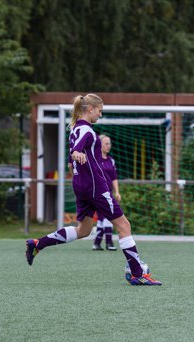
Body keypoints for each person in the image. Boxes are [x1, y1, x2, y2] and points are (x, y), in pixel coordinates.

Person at [25, 93, 162, 286]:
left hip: (80, 185)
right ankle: (137, 273)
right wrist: (77, 153)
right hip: (95, 187)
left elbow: (71, 163)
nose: (100, 115)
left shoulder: (74, 129)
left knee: (84, 230)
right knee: (124, 226)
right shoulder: (86, 130)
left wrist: (76, 158)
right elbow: (75, 151)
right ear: (90, 109)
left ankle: (38, 244)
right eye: (100, 111)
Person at [92, 134, 120, 251]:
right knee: (108, 216)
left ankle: (97, 242)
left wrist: (117, 192)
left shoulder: (111, 161)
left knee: (103, 218)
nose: (108, 146)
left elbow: (114, 178)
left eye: (109, 143)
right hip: (98, 193)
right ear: (100, 145)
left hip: (109, 193)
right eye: (106, 143)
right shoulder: (94, 159)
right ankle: (109, 242)